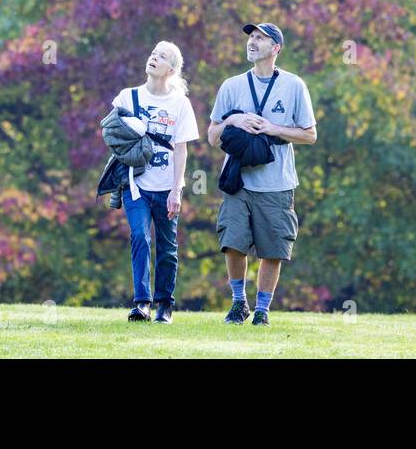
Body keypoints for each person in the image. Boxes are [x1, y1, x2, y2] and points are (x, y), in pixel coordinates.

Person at [207, 22, 316, 327]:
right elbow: (212, 137)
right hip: (237, 180)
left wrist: (273, 129)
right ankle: (239, 303)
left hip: (277, 182)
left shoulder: (294, 86)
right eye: (250, 37)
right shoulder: (231, 86)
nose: (252, 42)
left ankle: (262, 310)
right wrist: (235, 120)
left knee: (273, 249)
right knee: (233, 242)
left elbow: (310, 135)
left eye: (260, 38)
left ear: (276, 48)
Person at [111, 41, 199, 323]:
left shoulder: (180, 104)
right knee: (139, 236)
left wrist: (177, 189)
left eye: (161, 56)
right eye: (152, 53)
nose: (153, 58)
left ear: (171, 69)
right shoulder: (128, 97)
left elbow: (182, 149)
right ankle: (141, 303)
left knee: (167, 247)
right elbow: (110, 131)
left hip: (166, 187)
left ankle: (165, 304)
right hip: (135, 183)